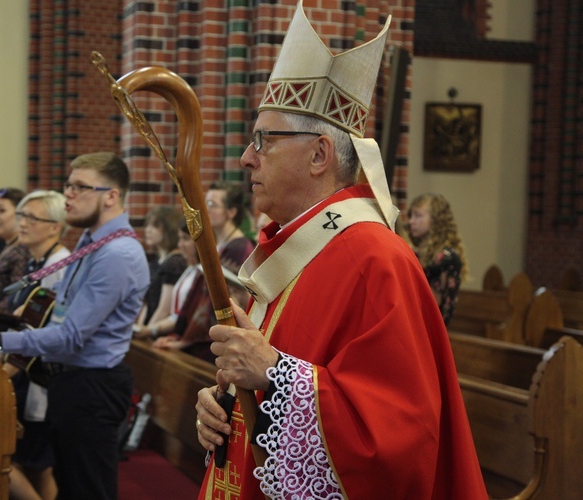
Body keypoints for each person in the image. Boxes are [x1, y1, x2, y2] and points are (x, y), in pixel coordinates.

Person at [194, 3, 485, 499]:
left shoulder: (376, 260)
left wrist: (274, 374)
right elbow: (263, 377)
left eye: (263, 140)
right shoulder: (295, 252)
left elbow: (397, 440)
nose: (247, 157)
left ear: (319, 155)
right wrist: (223, 406)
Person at [0, 152, 150, 500]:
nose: (68, 195)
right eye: (67, 185)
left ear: (111, 195)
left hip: (93, 387)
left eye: (80, 187)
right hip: (71, 382)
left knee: (89, 490)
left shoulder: (117, 253)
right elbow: (58, 309)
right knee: (70, 487)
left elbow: (72, 334)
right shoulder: (92, 241)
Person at [6, 190, 71, 500]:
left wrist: (4, 368)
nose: (22, 223)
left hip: (40, 377)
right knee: (35, 465)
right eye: (21, 216)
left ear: (55, 226)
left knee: (19, 462)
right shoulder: (38, 261)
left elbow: (44, 327)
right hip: (28, 370)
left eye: (32, 217)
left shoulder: (59, 264)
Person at [407, 192, 468, 326]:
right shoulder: (416, 252)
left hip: (430, 328)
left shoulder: (447, 258)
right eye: (411, 215)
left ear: (436, 219)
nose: (411, 221)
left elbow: (432, 304)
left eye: (418, 215)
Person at [134, 205, 186, 331]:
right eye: (147, 225)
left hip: (159, 331)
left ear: (169, 230)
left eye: (154, 226)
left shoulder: (175, 263)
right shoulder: (156, 262)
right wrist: (140, 327)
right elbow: (147, 302)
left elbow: (164, 309)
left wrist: (147, 332)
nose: (148, 230)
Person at [205, 181, 255, 271]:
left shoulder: (238, 248)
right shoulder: (220, 242)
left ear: (231, 212)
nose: (206, 210)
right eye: (206, 203)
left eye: (212, 205)